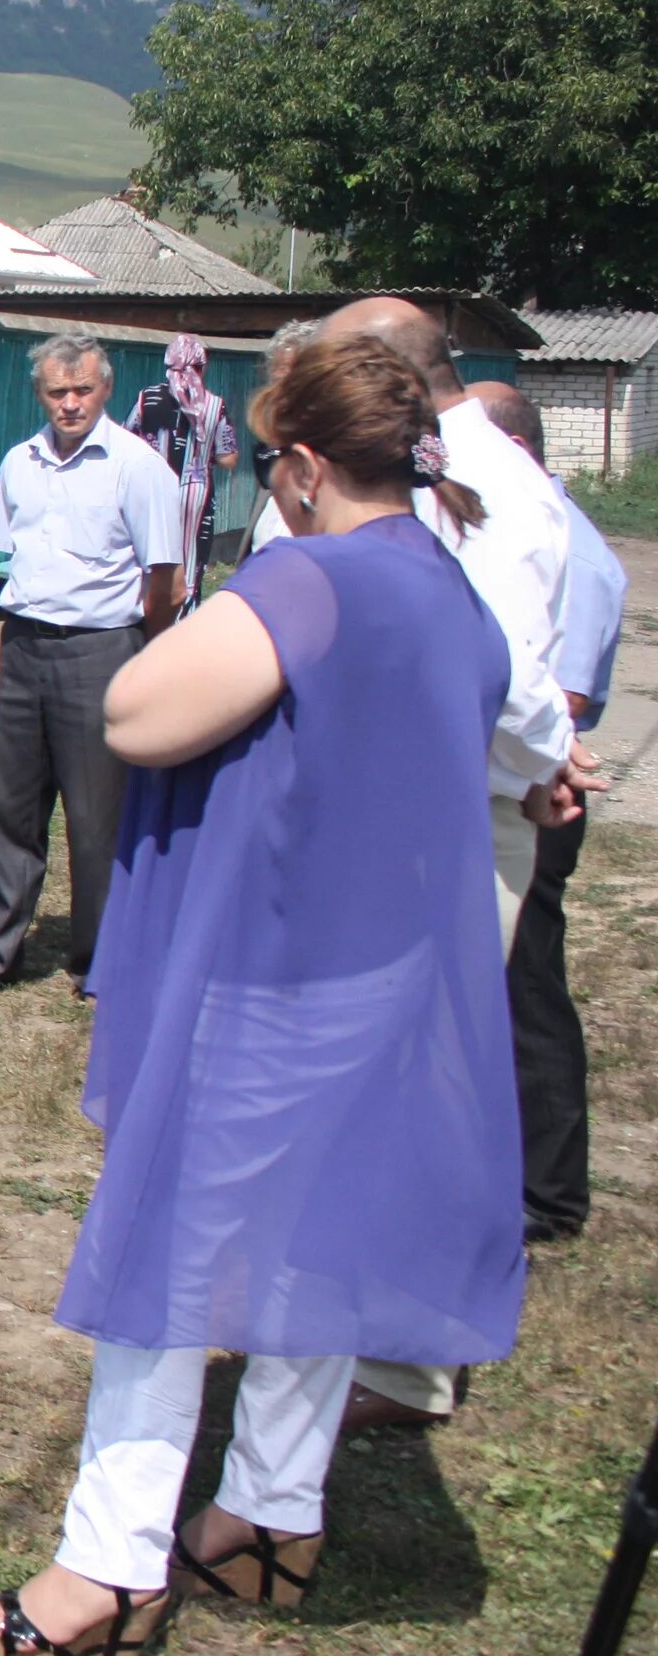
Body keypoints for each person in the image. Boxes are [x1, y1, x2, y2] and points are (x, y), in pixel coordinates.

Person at [0, 333, 525, 1655]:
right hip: (381, 977)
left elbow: (142, 712)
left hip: (276, 981)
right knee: (313, 1243)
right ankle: (268, 1519)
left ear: (310, 465)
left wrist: (265, 583)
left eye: (277, 463)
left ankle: (105, 1566)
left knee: (170, 1252)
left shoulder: (314, 580)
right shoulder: (445, 583)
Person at [313, 301, 594, 1433]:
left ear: (387, 373)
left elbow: (507, 680)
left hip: (456, 814)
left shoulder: (486, 492)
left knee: (430, 1081)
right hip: (429, 804)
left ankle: (409, 1357)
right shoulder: (453, 473)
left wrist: (542, 756)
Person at [0, 334, 183, 991]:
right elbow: (9, 553)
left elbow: (168, 579)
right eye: (58, 392)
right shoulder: (20, 463)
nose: (70, 404)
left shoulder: (136, 467)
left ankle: (103, 960)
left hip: (102, 648)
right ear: (40, 393)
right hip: (24, 643)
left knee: (97, 813)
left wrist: (144, 656)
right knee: (11, 804)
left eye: (82, 391)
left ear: (105, 390)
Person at [470, 380, 624, 1244]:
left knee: (527, 987)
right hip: (517, 781)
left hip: (540, 793)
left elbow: (557, 700)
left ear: (510, 450)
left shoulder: (571, 547)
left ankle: (550, 1194)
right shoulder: (535, 529)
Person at [125, 333, 239, 611]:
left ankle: (146, 618)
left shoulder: (146, 399)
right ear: (201, 367)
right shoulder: (215, 405)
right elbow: (229, 458)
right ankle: (183, 620)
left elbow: (127, 441)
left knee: (149, 558)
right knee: (190, 564)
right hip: (196, 495)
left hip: (153, 492)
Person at [239, 319, 324, 561]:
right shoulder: (274, 458)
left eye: (291, 386)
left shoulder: (341, 477)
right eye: (275, 385)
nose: (279, 399)